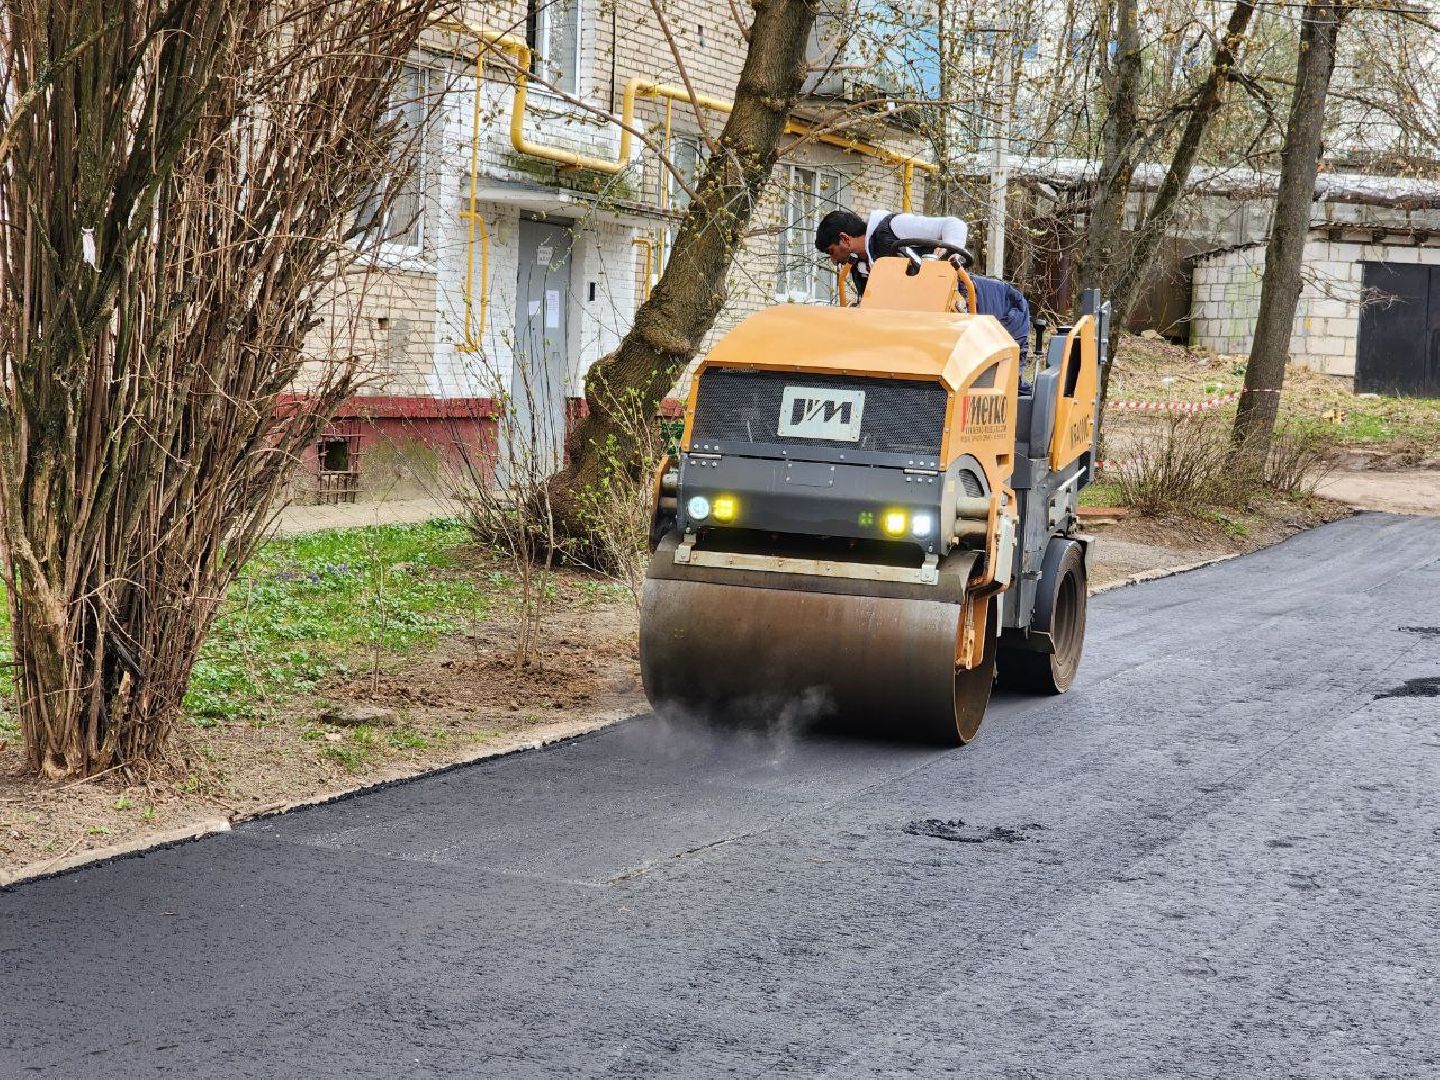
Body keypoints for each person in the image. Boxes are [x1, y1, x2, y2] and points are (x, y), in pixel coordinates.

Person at [815, 207, 1034, 390]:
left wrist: (945, 257)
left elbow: (954, 225)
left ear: (845, 239)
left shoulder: (893, 227)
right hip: (932, 321)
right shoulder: (860, 268)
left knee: (1000, 384)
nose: (834, 261)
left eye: (831, 252)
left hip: (992, 304)